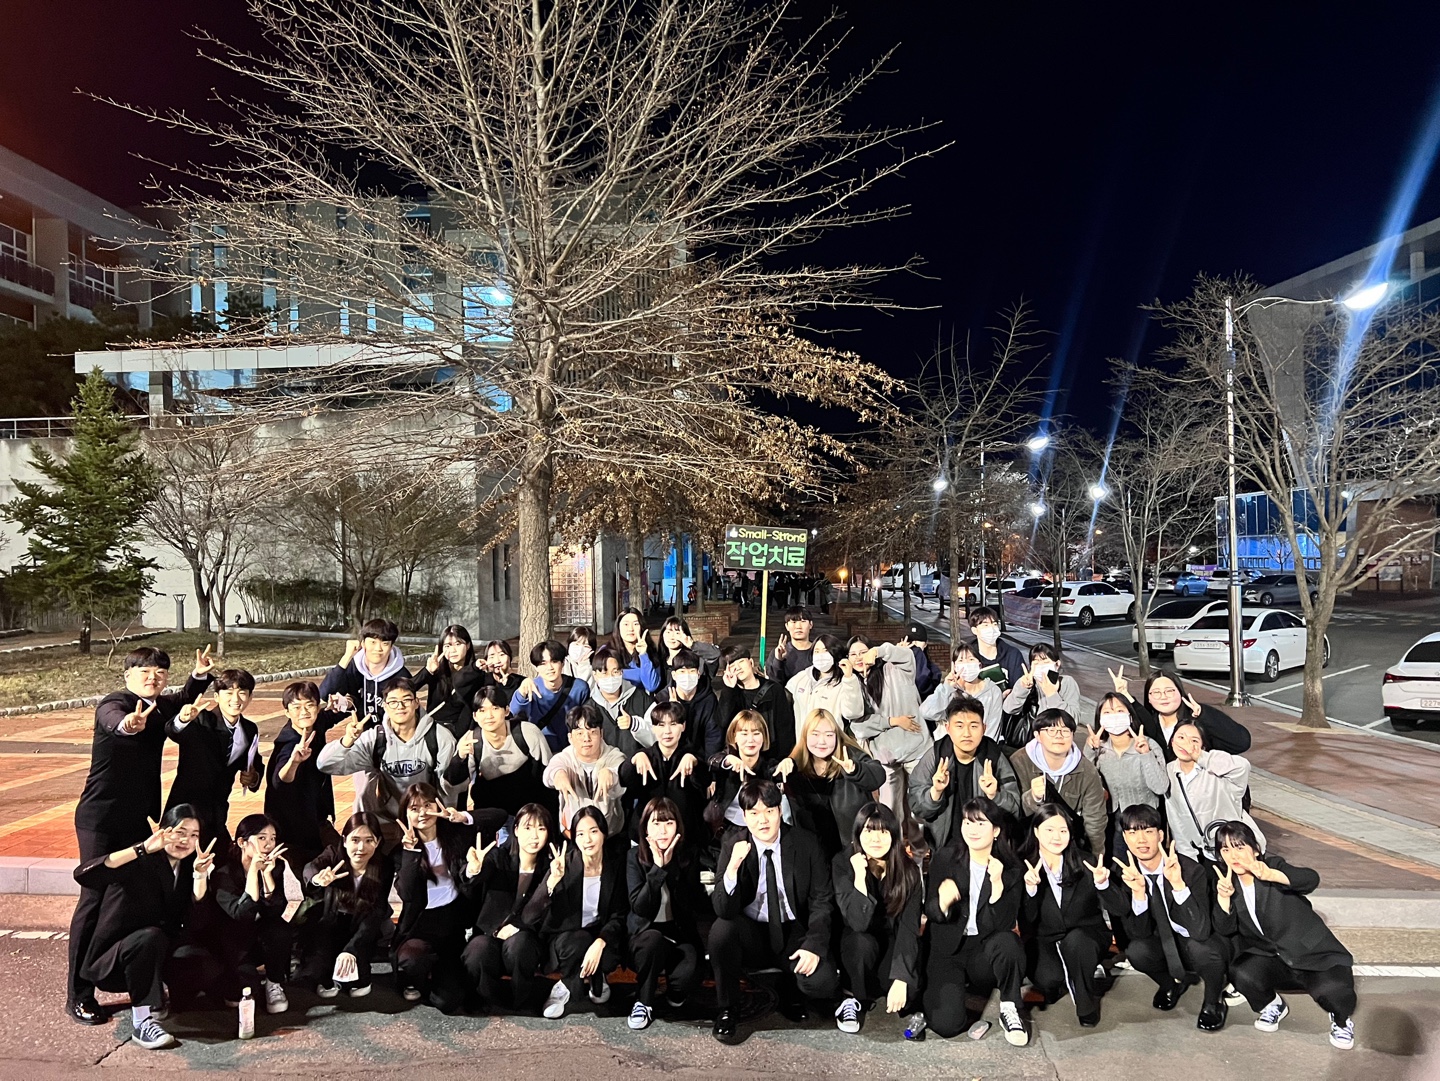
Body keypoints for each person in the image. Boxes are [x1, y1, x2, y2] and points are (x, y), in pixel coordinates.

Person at [67, 645, 215, 1026]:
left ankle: (137, 973)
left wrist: (199, 674)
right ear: (127, 675)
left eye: (160, 672)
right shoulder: (114, 704)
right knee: (94, 897)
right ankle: (79, 994)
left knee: (138, 895)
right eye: (145, 671)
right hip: (102, 819)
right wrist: (129, 724)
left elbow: (184, 697)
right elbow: (115, 721)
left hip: (139, 821)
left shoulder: (160, 705)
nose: (153, 678)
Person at [70, 804, 217, 1050]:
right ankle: (142, 1023)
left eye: (194, 835)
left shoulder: (187, 867)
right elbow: (84, 875)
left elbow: (197, 922)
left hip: (152, 953)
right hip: (113, 959)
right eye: (180, 832)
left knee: (200, 960)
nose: (186, 841)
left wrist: (200, 877)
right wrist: (142, 848)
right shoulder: (141, 860)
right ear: (163, 831)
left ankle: (159, 998)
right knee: (150, 938)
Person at [709, 779, 841, 1044]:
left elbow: (822, 899)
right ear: (744, 816)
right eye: (754, 813)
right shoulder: (733, 843)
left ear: (780, 811)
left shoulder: (806, 843)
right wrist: (732, 868)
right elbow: (723, 908)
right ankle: (728, 1008)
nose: (763, 820)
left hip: (793, 930)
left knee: (822, 982)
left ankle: (790, 989)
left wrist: (814, 945)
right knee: (721, 930)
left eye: (769, 811)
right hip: (752, 932)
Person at [1211, 820, 1356, 1049]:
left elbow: (1310, 879)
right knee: (1241, 972)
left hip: (1313, 954)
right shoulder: (1227, 883)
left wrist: (1273, 875)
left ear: (1255, 850)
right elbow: (1224, 929)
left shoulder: (1273, 866)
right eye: (1225, 849)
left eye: (1239, 847)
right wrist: (1223, 898)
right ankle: (1273, 1006)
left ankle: (1341, 1021)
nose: (1233, 855)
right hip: (1275, 958)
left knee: (1335, 993)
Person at [1112, 804, 1230, 1031]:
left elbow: (1201, 930)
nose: (1141, 840)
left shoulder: (1190, 869)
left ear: (1161, 835)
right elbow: (1138, 933)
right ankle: (1171, 984)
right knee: (1137, 952)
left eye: (1148, 831)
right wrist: (1138, 894)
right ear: (1125, 838)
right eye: (1133, 833)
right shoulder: (1126, 874)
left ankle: (1213, 1000)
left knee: (1203, 949)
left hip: (1194, 939)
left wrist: (1178, 885)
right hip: (1163, 943)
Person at [922, 797, 1029, 1044]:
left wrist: (997, 885)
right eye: (967, 822)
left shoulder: (1011, 867)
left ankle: (1010, 1006)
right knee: (947, 1025)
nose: (972, 829)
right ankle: (949, 992)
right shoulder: (945, 858)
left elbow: (1004, 925)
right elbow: (931, 911)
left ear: (996, 831)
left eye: (981, 823)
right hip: (947, 951)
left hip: (983, 951)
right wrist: (942, 903)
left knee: (1009, 943)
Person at [317, 676, 459, 839]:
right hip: (390, 823)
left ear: (416, 703)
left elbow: (448, 788)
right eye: (393, 702)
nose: (400, 706)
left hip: (429, 820)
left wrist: (442, 827)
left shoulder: (439, 737)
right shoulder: (375, 739)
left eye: (406, 700)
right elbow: (325, 764)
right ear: (385, 706)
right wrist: (348, 740)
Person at [1021, 803, 1121, 1027]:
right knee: (1048, 980)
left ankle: (1085, 1003)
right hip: (1045, 938)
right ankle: (1074, 972)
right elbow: (1026, 920)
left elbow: (1120, 909)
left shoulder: (1087, 862)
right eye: (1049, 830)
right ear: (1036, 832)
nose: (1056, 837)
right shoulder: (1023, 866)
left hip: (1085, 934)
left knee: (1077, 943)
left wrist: (1103, 884)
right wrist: (1031, 890)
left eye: (1063, 830)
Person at [188, 813, 294, 1017]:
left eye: (272, 838)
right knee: (238, 997)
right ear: (242, 842)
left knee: (280, 929)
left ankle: (274, 982)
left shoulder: (276, 866)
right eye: (261, 838)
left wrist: (267, 876)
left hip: (260, 936)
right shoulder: (224, 873)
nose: (269, 844)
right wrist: (253, 872)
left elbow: (276, 912)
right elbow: (241, 915)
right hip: (232, 941)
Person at [831, 802, 922, 1035]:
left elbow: (909, 929)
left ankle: (880, 987)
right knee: (860, 943)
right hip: (857, 941)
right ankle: (850, 995)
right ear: (857, 834)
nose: (875, 839)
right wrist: (859, 879)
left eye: (883, 831)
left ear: (893, 835)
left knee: (910, 992)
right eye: (869, 831)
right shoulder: (843, 863)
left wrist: (901, 978)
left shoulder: (909, 870)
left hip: (891, 942)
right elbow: (857, 922)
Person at [529, 806, 628, 1018]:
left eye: (593, 831)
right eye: (580, 834)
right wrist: (552, 881)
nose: (587, 840)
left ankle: (595, 974)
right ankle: (564, 988)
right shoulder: (564, 864)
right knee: (580, 942)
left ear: (604, 833)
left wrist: (600, 941)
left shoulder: (615, 865)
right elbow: (531, 914)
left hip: (598, 933)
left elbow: (619, 914)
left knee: (608, 954)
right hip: (566, 937)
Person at [392, 782, 478, 1012]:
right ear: (405, 814)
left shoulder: (454, 837)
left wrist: (461, 816)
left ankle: (440, 974)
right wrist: (411, 852)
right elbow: (407, 893)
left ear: (438, 806)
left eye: (427, 805)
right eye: (414, 808)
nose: (422, 813)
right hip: (421, 925)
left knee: (449, 1002)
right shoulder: (401, 852)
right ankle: (416, 979)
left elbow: (497, 816)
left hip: (452, 924)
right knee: (412, 958)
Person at [459, 802, 553, 1013]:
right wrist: (473, 869)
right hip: (490, 934)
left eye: (541, 828)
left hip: (525, 938)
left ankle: (520, 1001)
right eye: (528, 828)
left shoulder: (550, 867)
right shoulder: (499, 856)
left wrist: (519, 926)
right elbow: (477, 875)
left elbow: (545, 913)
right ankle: (487, 1000)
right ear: (516, 830)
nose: (534, 836)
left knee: (521, 944)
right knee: (478, 949)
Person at [625, 797, 706, 1030]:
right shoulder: (634, 857)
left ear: (678, 827)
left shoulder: (689, 855)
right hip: (645, 935)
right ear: (645, 828)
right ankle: (643, 1002)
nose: (662, 831)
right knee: (652, 941)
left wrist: (670, 867)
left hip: (678, 933)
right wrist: (657, 870)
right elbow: (639, 907)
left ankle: (674, 990)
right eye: (656, 823)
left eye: (669, 823)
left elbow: (693, 904)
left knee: (688, 975)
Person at [299, 811, 395, 999]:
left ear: (377, 842)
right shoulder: (334, 854)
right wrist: (318, 879)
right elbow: (310, 868)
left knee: (358, 976)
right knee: (318, 967)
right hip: (334, 918)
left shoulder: (384, 865)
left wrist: (352, 949)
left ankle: (359, 965)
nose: (361, 847)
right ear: (344, 841)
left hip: (365, 920)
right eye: (355, 840)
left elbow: (377, 910)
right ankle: (328, 971)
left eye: (369, 840)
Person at [164, 667, 263, 846]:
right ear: (216, 697)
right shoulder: (201, 719)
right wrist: (183, 720)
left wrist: (253, 777)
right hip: (186, 810)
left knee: (221, 858)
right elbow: (174, 732)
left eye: (242, 693)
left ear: (250, 697)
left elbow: (254, 763)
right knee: (180, 858)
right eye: (229, 693)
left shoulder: (249, 729)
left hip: (218, 812)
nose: (236, 699)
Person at [909, 696, 1023, 846]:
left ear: (984, 728)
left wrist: (994, 796)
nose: (967, 733)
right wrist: (935, 792)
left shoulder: (994, 757)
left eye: (974, 726)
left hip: (986, 845)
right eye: (959, 726)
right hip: (945, 844)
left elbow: (1015, 810)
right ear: (948, 728)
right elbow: (917, 807)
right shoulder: (936, 756)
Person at [265, 680, 351, 877]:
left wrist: (346, 703)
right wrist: (294, 761)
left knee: (343, 863)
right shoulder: (289, 742)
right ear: (287, 712)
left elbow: (340, 711)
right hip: (291, 827)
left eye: (309, 705)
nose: (304, 712)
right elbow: (280, 780)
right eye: (296, 707)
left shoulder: (315, 724)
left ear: (317, 707)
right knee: (312, 877)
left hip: (316, 817)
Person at [774, 708, 885, 859]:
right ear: (805, 736)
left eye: (829, 735)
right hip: (814, 853)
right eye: (815, 734)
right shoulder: (795, 767)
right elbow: (766, 779)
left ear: (836, 736)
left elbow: (878, 776)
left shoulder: (849, 755)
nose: (822, 741)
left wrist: (854, 770)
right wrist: (781, 769)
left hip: (853, 849)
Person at [444, 684, 553, 821]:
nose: (489, 716)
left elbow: (549, 776)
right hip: (493, 815)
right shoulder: (471, 740)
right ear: (475, 716)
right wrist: (460, 759)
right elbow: (452, 786)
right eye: (482, 710)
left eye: (495, 708)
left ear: (506, 711)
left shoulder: (527, 732)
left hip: (530, 812)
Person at [1009, 709, 1108, 859]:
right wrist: (1033, 798)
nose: (1059, 736)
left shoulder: (1086, 770)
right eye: (1051, 730)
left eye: (1065, 731)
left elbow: (1095, 819)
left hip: (1065, 844)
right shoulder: (1019, 761)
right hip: (1027, 842)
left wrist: (1096, 857)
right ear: (1037, 735)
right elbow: (1012, 809)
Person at [848, 635, 929, 815]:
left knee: (921, 808)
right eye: (853, 654)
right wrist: (893, 721)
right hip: (885, 757)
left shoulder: (894, 670)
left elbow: (907, 655)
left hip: (917, 749)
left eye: (863, 652)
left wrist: (878, 651)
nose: (859, 657)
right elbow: (857, 726)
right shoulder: (853, 686)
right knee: (889, 811)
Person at [1084, 693, 1168, 857]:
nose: (1114, 716)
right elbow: (1086, 781)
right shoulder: (1098, 748)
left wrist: (1145, 755)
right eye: (1107, 712)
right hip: (1112, 819)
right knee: (1119, 863)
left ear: (1130, 715)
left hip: (1145, 820)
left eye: (1119, 710)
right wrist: (1090, 750)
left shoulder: (1148, 744)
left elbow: (1160, 787)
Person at [1165, 722, 1264, 862]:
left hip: (1238, 848)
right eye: (1181, 738)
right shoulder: (1170, 770)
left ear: (1203, 746)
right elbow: (1175, 816)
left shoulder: (1216, 770)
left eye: (1194, 741)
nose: (1186, 744)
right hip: (1207, 852)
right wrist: (1187, 855)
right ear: (1172, 741)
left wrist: (1202, 757)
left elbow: (1243, 767)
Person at [618, 700, 710, 841]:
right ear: (653, 728)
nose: (667, 731)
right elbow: (624, 780)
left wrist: (695, 763)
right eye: (661, 725)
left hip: (686, 836)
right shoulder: (644, 756)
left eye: (673, 724)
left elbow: (706, 780)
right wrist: (633, 761)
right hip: (647, 836)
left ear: (683, 726)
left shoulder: (692, 756)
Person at [1122, 668, 1251, 760]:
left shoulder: (1198, 719)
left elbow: (1241, 742)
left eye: (1169, 691)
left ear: (1180, 692)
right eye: (1156, 692)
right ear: (1149, 698)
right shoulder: (1149, 725)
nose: (1163, 696)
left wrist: (1204, 715)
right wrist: (1124, 694)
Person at [544, 705, 628, 834]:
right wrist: (558, 774)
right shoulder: (565, 758)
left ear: (601, 734)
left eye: (592, 732)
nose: (586, 739)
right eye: (580, 733)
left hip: (610, 833)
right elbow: (550, 772)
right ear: (570, 738)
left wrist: (611, 773)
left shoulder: (614, 756)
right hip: (574, 833)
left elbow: (621, 772)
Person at [705, 710, 789, 839]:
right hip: (725, 828)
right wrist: (728, 761)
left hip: (760, 829)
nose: (750, 740)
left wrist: (790, 763)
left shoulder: (768, 765)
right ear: (734, 736)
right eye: (744, 733)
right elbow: (712, 762)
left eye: (756, 733)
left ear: (764, 737)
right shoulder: (726, 759)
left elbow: (777, 772)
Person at [319, 618, 411, 725]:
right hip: (360, 730)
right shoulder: (355, 668)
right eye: (372, 642)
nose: (378, 648)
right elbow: (325, 694)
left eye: (385, 643)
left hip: (391, 732)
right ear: (363, 644)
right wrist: (347, 656)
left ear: (391, 647)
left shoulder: (402, 676)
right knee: (318, 716)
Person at [509, 639, 592, 752]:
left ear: (562, 663)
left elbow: (587, 719)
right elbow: (515, 712)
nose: (549, 668)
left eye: (554, 661)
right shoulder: (531, 687)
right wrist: (521, 693)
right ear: (536, 667)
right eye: (543, 663)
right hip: (540, 748)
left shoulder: (579, 687)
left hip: (571, 749)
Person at [1000, 644, 1083, 752]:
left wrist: (1052, 695)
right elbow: (1009, 709)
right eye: (1036, 663)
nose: (1041, 666)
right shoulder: (1026, 682)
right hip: (1026, 745)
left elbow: (1073, 719)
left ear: (1057, 664)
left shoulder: (1067, 682)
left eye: (1045, 662)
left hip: (1057, 743)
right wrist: (1023, 688)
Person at [920, 639, 1003, 742]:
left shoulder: (993, 691)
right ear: (954, 666)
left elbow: (993, 728)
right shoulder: (949, 691)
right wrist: (947, 688)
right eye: (961, 660)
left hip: (983, 747)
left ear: (979, 665)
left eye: (971, 659)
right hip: (952, 747)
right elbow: (926, 712)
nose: (966, 664)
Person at [412, 625, 486, 739]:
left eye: (458, 644)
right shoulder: (437, 670)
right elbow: (406, 688)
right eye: (447, 646)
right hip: (433, 728)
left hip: (460, 732)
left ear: (468, 645)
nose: (453, 650)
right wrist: (427, 671)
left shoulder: (477, 672)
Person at [717, 645, 795, 752]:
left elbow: (784, 729)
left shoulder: (774, 690)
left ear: (751, 662)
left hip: (771, 754)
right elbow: (723, 723)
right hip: (740, 755)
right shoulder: (730, 694)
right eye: (732, 665)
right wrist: (729, 689)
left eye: (741, 662)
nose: (738, 668)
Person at [649, 647, 724, 757]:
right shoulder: (662, 699)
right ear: (674, 675)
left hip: (700, 758)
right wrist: (675, 712)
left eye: (692, 671)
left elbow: (713, 735)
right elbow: (658, 736)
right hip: (672, 757)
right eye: (682, 671)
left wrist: (709, 762)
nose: (687, 676)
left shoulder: (708, 699)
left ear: (698, 674)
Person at [785, 633, 866, 734]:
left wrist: (849, 678)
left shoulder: (843, 682)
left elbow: (853, 713)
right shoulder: (801, 678)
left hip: (830, 740)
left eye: (825, 651)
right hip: (804, 740)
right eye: (816, 651)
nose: (820, 655)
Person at [585, 644, 653, 754]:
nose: (610, 677)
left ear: (622, 672)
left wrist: (635, 724)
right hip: (604, 763)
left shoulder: (642, 699)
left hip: (637, 762)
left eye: (615, 672)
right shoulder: (589, 708)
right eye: (604, 673)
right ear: (595, 675)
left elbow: (657, 737)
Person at [967, 607, 1026, 689]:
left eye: (994, 624)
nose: (991, 629)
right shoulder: (967, 655)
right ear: (974, 630)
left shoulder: (1012, 654)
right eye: (986, 625)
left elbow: (1020, 687)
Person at [611, 607, 662, 693]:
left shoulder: (651, 652)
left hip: (642, 699)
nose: (631, 629)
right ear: (618, 627)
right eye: (626, 624)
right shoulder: (608, 652)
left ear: (641, 627)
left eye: (636, 624)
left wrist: (643, 655)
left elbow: (651, 686)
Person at [658, 615, 722, 683]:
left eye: (677, 633)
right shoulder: (658, 661)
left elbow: (715, 654)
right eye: (668, 632)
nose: (672, 637)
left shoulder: (697, 660)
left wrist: (692, 645)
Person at [765, 606, 816, 685]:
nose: (798, 626)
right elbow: (773, 684)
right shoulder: (777, 653)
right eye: (794, 622)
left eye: (803, 621)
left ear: (811, 624)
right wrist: (778, 660)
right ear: (787, 626)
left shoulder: (819, 652)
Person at [904, 622, 943, 699]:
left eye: (918, 641)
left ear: (925, 644)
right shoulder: (893, 663)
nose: (914, 644)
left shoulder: (933, 670)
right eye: (910, 641)